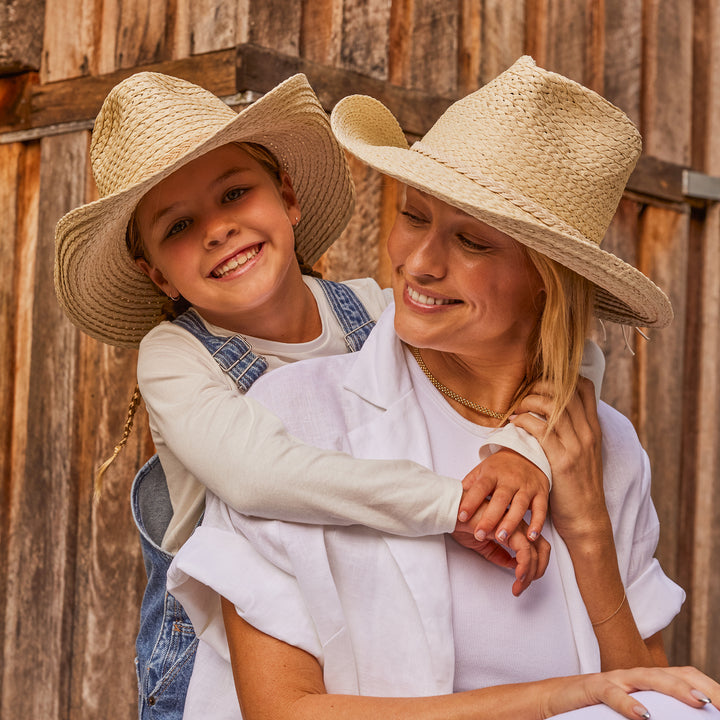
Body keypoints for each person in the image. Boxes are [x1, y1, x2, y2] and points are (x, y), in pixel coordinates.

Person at [166, 57, 713, 720]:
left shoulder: (602, 445)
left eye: (471, 241)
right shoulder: (295, 418)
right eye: (414, 216)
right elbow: (283, 711)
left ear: (548, 275)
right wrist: (553, 698)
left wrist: (589, 526)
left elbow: (651, 699)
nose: (419, 263)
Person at [53, 71, 573, 720]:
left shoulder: (377, 311)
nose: (217, 230)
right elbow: (255, 476)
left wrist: (525, 447)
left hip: (356, 622)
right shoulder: (175, 357)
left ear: (288, 197)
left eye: (236, 193)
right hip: (215, 662)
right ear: (157, 271)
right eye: (180, 225)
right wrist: (451, 504)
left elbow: (556, 347)